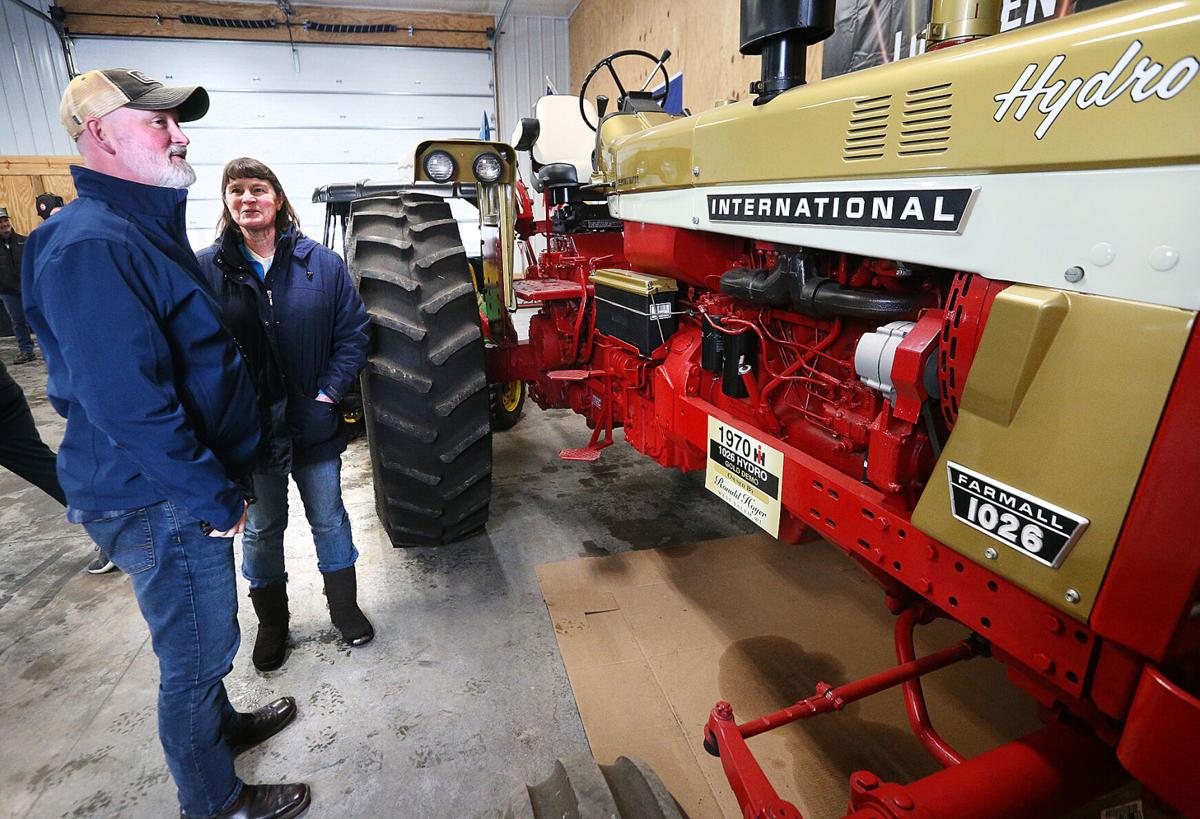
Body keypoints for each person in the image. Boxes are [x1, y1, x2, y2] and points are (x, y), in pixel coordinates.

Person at [22, 68, 309, 819]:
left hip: (181, 484)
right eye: (159, 124)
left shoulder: (136, 230)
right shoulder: (89, 244)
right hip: (157, 495)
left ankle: (222, 729)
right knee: (195, 657)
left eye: (178, 123)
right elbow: (129, 404)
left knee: (205, 641)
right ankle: (212, 801)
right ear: (99, 134)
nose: (180, 135)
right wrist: (212, 493)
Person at [197, 157, 373, 673]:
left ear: (277, 198)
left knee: (329, 516)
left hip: (312, 420)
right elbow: (198, 348)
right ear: (227, 203)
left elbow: (354, 331)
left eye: (257, 189)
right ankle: (273, 623)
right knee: (263, 526)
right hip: (252, 430)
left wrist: (329, 393)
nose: (247, 199)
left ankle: (344, 608)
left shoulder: (320, 262)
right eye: (236, 191)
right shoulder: (209, 268)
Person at [0, 207, 36, 365]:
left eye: (5, 220)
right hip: (8, 291)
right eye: (0, 222)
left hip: (28, 288)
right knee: (18, 321)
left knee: (39, 318)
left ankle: (53, 346)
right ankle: (26, 350)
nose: (4, 224)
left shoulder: (24, 240)